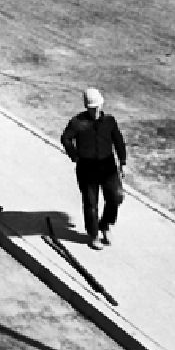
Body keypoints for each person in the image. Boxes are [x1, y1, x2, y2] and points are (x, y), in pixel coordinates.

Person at [60, 87, 127, 250]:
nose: (95, 111)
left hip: (108, 166)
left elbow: (118, 141)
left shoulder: (109, 122)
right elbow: (66, 138)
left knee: (116, 197)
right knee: (91, 203)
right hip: (87, 168)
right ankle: (94, 234)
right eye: (92, 108)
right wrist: (74, 156)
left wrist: (123, 162)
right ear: (87, 108)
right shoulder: (78, 123)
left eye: (97, 107)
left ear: (101, 106)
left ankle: (105, 225)